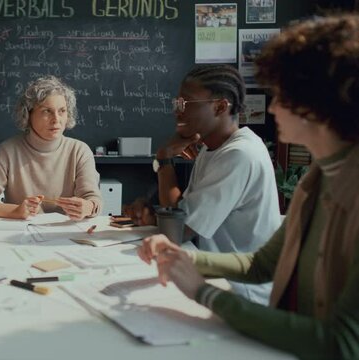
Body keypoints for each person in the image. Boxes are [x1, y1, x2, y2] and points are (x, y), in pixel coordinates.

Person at [139, 14, 359, 359]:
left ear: (324, 101)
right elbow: (261, 265)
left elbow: (341, 344)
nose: (272, 107)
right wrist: (184, 259)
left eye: (284, 95)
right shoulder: (318, 178)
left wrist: (203, 292)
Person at [126, 64, 281, 304]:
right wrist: (154, 215)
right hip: (211, 272)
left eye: (186, 104)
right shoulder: (213, 147)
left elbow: (179, 230)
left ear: (220, 106)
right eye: (177, 103)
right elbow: (179, 212)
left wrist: (165, 159)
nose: (178, 112)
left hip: (240, 289)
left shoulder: (239, 154)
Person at [0, 75, 103, 220]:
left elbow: (93, 198)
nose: (56, 119)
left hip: (66, 233)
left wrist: (89, 207)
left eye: (62, 111)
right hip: (20, 234)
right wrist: (14, 211)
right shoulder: (8, 151)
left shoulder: (79, 151)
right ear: (28, 114)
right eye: (46, 111)